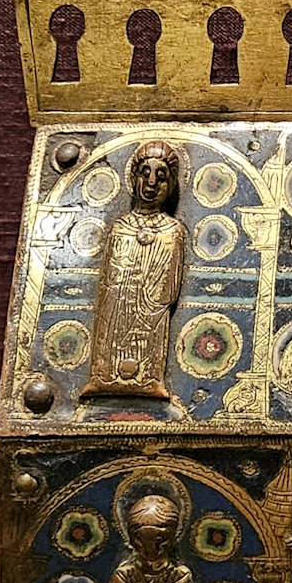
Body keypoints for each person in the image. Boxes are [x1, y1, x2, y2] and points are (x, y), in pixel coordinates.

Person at [82, 140, 184, 400]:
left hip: (150, 311)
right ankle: (103, 377)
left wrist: (148, 291)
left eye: (161, 177)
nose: (151, 183)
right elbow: (108, 282)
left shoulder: (172, 231)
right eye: (145, 173)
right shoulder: (120, 226)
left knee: (146, 345)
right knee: (110, 336)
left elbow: (169, 288)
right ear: (133, 178)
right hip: (117, 308)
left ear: (171, 185)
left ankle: (149, 380)